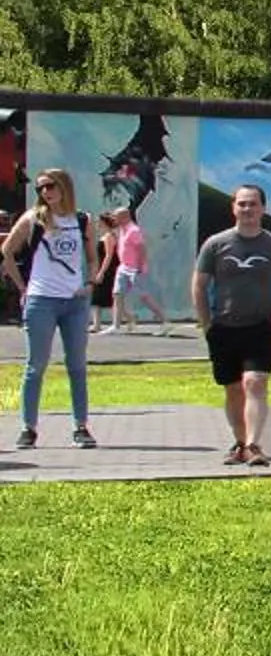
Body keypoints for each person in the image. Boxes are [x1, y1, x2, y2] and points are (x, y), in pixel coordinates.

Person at [193, 183, 271, 468]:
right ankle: (239, 443)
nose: (247, 209)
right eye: (242, 203)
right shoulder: (216, 244)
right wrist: (206, 324)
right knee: (233, 389)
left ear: (263, 208)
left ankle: (254, 445)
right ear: (233, 208)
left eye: (253, 203)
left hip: (260, 328)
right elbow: (199, 285)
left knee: (255, 381)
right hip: (223, 328)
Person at [4, 168, 104, 449]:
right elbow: (7, 251)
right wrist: (23, 288)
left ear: (63, 186)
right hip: (42, 300)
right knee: (36, 365)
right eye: (40, 188)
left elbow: (92, 258)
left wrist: (90, 283)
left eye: (50, 186)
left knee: (77, 365)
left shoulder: (82, 220)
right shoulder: (34, 218)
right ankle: (28, 428)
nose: (45, 192)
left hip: (75, 301)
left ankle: (81, 426)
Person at [104, 202, 167, 335]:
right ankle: (116, 326)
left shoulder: (133, 230)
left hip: (134, 269)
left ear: (125, 217)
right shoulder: (122, 230)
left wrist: (140, 266)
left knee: (144, 296)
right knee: (117, 294)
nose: (114, 219)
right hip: (123, 267)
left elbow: (141, 248)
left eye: (116, 217)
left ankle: (164, 322)